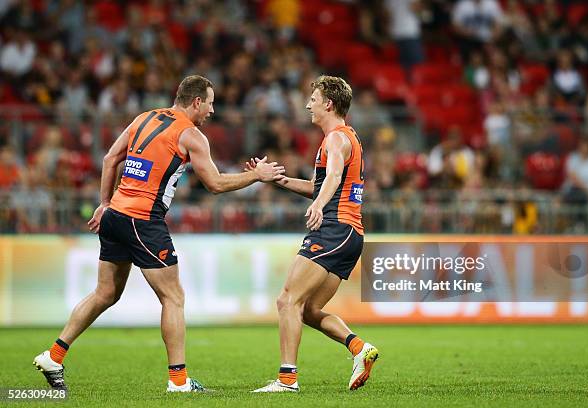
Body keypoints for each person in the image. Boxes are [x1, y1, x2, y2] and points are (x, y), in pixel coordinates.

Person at [33, 75, 285, 392]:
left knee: (105, 293)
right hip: (143, 220)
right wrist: (257, 175)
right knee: (173, 297)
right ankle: (178, 381)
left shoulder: (144, 117)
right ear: (197, 102)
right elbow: (216, 184)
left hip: (116, 215)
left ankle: (54, 356)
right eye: (210, 102)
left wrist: (104, 203)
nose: (211, 110)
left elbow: (110, 158)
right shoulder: (191, 135)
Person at [249, 75, 378, 393]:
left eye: (314, 99)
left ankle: (287, 380)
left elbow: (332, 177)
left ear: (328, 104)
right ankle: (359, 348)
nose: (308, 104)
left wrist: (320, 205)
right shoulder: (349, 137)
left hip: (334, 228)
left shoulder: (335, 139)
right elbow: (322, 185)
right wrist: (279, 180)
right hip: (350, 234)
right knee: (306, 309)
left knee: (287, 300)